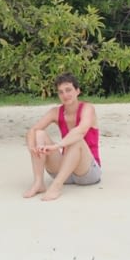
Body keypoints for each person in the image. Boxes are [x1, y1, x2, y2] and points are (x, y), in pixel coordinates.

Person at [23, 73, 101, 201]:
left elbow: (80, 131)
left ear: (77, 91)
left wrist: (57, 146)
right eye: (61, 92)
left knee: (76, 140)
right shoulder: (55, 112)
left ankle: (56, 186)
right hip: (65, 171)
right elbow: (32, 130)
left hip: (87, 172)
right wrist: (32, 147)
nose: (65, 95)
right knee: (39, 134)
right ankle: (38, 183)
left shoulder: (88, 109)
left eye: (68, 90)